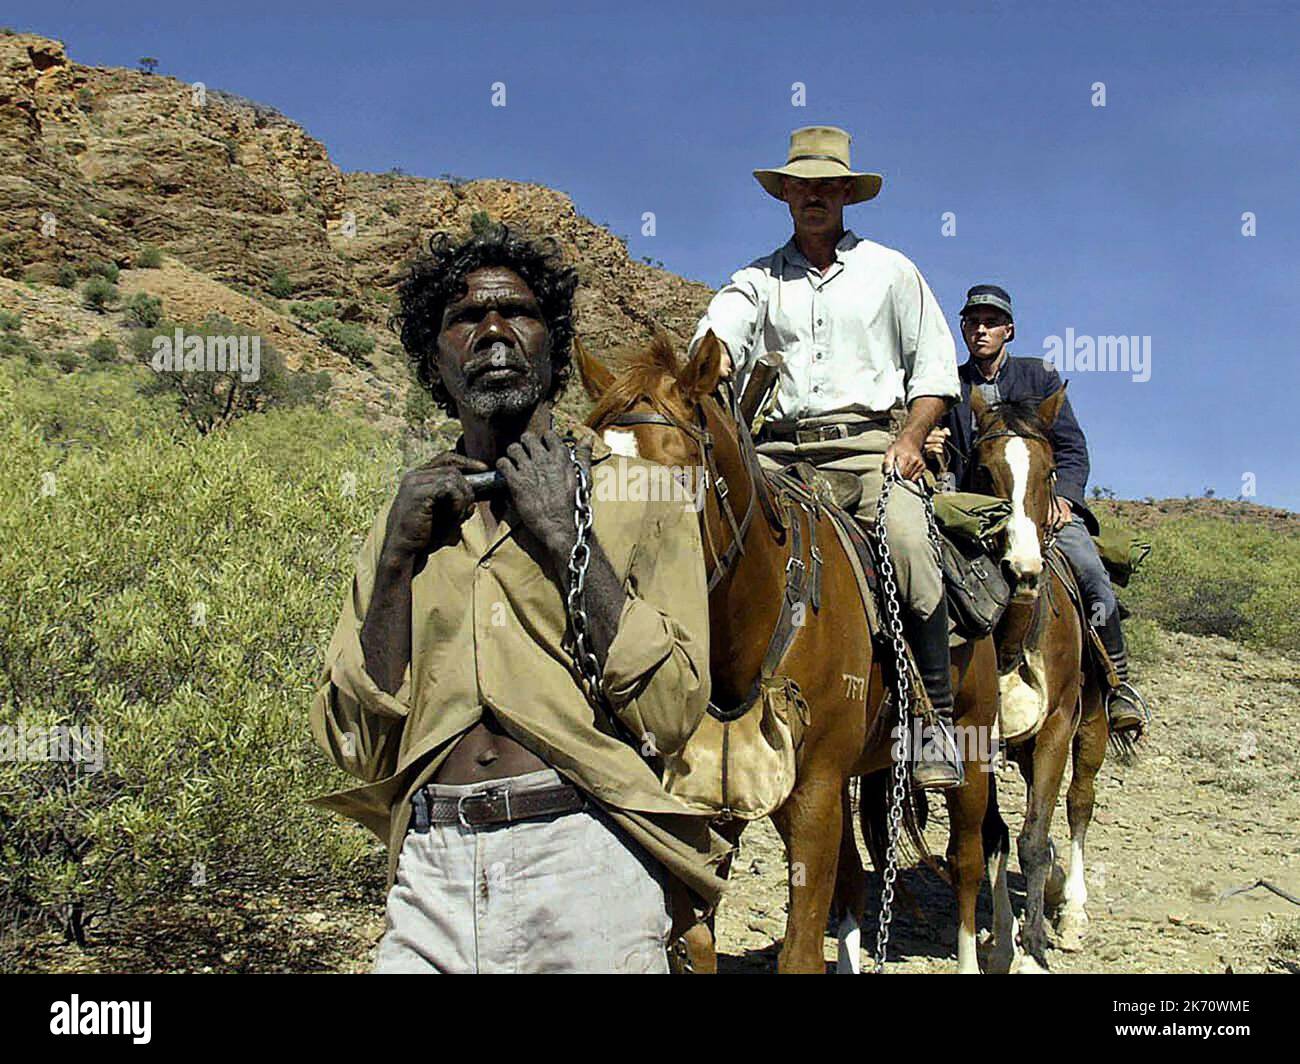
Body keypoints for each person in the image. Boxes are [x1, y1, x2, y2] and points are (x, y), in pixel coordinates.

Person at [309, 224, 728, 973]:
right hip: (430, 867)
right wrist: (400, 555)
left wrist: (569, 537)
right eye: (465, 318)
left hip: (587, 853)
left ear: (553, 343)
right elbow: (354, 742)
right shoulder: (408, 513)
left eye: (519, 314)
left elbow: (671, 712)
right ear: (434, 358)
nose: (494, 331)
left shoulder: (643, 495)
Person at [688, 125, 964, 790]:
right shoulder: (756, 280)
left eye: (826, 185)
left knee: (908, 544)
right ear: (785, 195)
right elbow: (721, 329)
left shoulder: (892, 272)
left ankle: (933, 720)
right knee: (698, 532)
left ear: (846, 192)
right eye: (800, 186)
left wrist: (908, 438)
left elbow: (934, 376)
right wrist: (713, 355)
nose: (813, 196)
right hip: (776, 453)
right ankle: (683, 706)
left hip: (871, 449)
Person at [930, 283, 1148, 741]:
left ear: (1009, 330)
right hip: (977, 514)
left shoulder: (1039, 377)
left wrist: (1063, 500)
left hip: (1041, 509)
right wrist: (933, 448)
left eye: (991, 322)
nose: (981, 329)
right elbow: (944, 458)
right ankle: (934, 694)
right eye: (973, 322)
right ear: (963, 329)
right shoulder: (950, 387)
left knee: (1090, 572)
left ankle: (1118, 683)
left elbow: (1072, 449)